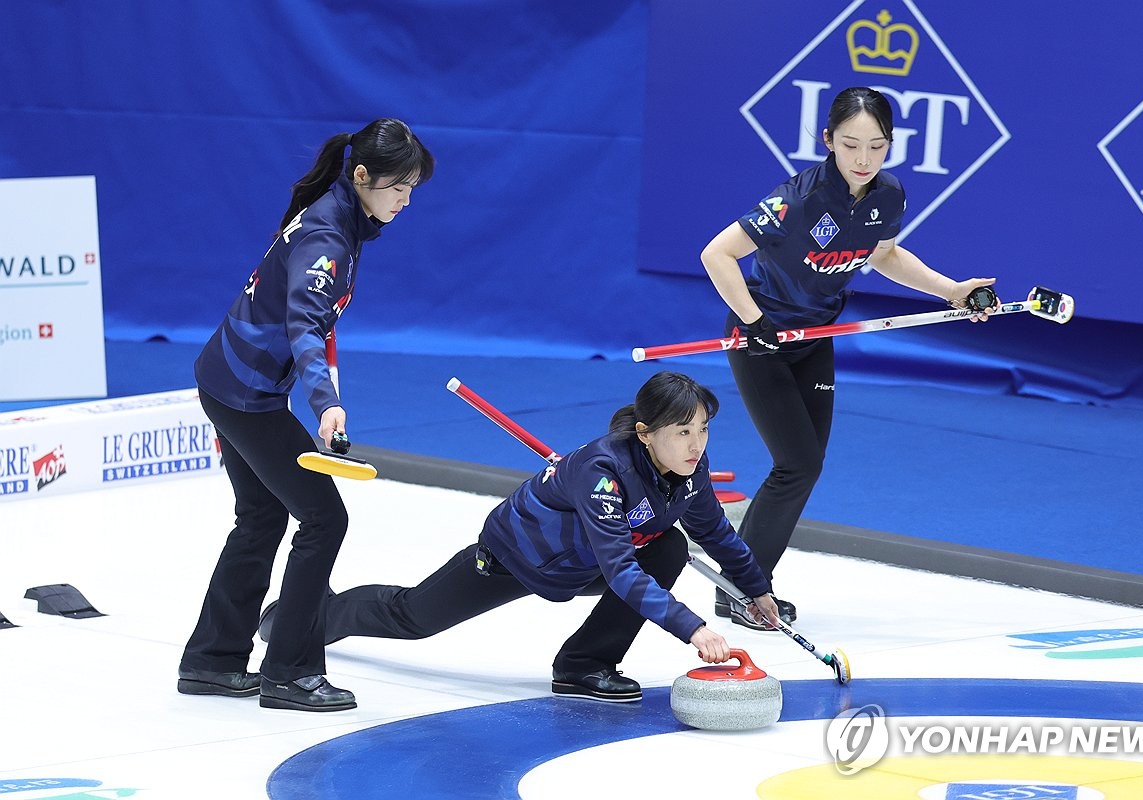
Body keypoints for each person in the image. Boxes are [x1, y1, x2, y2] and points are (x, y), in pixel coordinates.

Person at [258, 371, 782, 702]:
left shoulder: (691, 467)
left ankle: (584, 665)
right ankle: (303, 615)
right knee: (413, 617)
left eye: (703, 429)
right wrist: (695, 630)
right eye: (683, 432)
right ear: (646, 433)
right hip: (515, 558)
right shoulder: (603, 471)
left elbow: (714, 529)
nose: (697, 444)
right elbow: (622, 570)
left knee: (669, 546)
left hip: (582, 564)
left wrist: (755, 589)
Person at [699, 86, 998, 630]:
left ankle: (742, 583)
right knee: (797, 465)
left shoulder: (889, 194)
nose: (864, 160)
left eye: (877, 147)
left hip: (815, 339)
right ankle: (742, 592)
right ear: (828, 140)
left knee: (804, 469)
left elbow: (883, 254)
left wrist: (951, 291)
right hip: (761, 339)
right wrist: (753, 320)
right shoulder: (797, 199)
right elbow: (717, 254)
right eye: (851, 144)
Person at [177, 118, 435, 712]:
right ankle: (290, 671)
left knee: (262, 516)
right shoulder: (327, 235)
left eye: (413, 189)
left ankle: (212, 661)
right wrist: (325, 403)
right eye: (397, 186)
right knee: (324, 519)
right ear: (362, 175)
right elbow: (304, 326)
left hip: (228, 381)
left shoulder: (343, 215)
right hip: (246, 395)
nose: (405, 200)